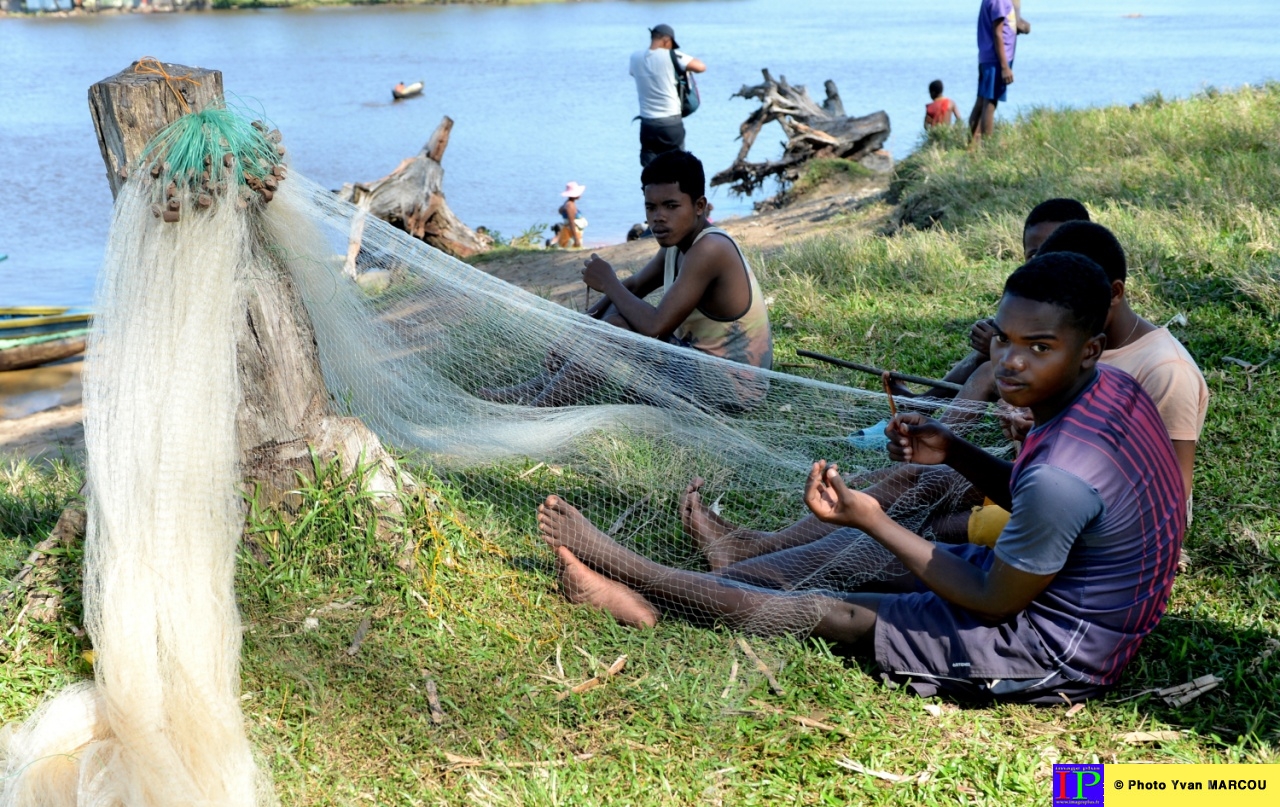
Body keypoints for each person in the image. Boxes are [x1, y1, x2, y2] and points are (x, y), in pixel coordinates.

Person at [538, 252, 1186, 704]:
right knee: (869, 557)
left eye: (1039, 347)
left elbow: (994, 596)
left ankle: (639, 586)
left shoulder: (1063, 474)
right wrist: (955, 450)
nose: (1011, 362)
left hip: (1053, 651)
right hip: (1073, 594)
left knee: (830, 609)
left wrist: (872, 516)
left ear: (1088, 350)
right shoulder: (1113, 390)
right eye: (1003, 340)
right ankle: (710, 577)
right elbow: (1039, 496)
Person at [478, 151, 771, 407]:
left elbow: (656, 325)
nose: (658, 218)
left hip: (734, 389)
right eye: (651, 207)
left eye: (671, 206)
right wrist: (578, 331)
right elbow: (634, 286)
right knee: (616, 318)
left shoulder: (709, 248)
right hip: (698, 365)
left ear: (699, 206)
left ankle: (535, 412)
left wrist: (608, 282)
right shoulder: (679, 244)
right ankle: (534, 393)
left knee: (617, 326)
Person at [630, 24, 706, 168]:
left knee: (649, 171)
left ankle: (648, 190)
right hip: (671, 124)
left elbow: (633, 73)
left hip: (647, 124)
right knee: (677, 169)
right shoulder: (671, 56)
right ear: (666, 40)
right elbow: (701, 67)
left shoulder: (635, 57)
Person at [969, 0, 1029, 145]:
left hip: (988, 57)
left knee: (983, 100)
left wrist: (1022, 26)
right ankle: (987, 146)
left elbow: (1009, 25)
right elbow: (997, 33)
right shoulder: (1000, 1)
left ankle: (972, 144)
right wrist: (1004, 67)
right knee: (990, 102)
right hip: (996, 59)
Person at [549, 181, 587, 249]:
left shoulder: (568, 203)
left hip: (570, 231)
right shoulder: (570, 205)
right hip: (570, 233)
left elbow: (560, 211)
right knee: (571, 247)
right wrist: (576, 239)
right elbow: (571, 222)